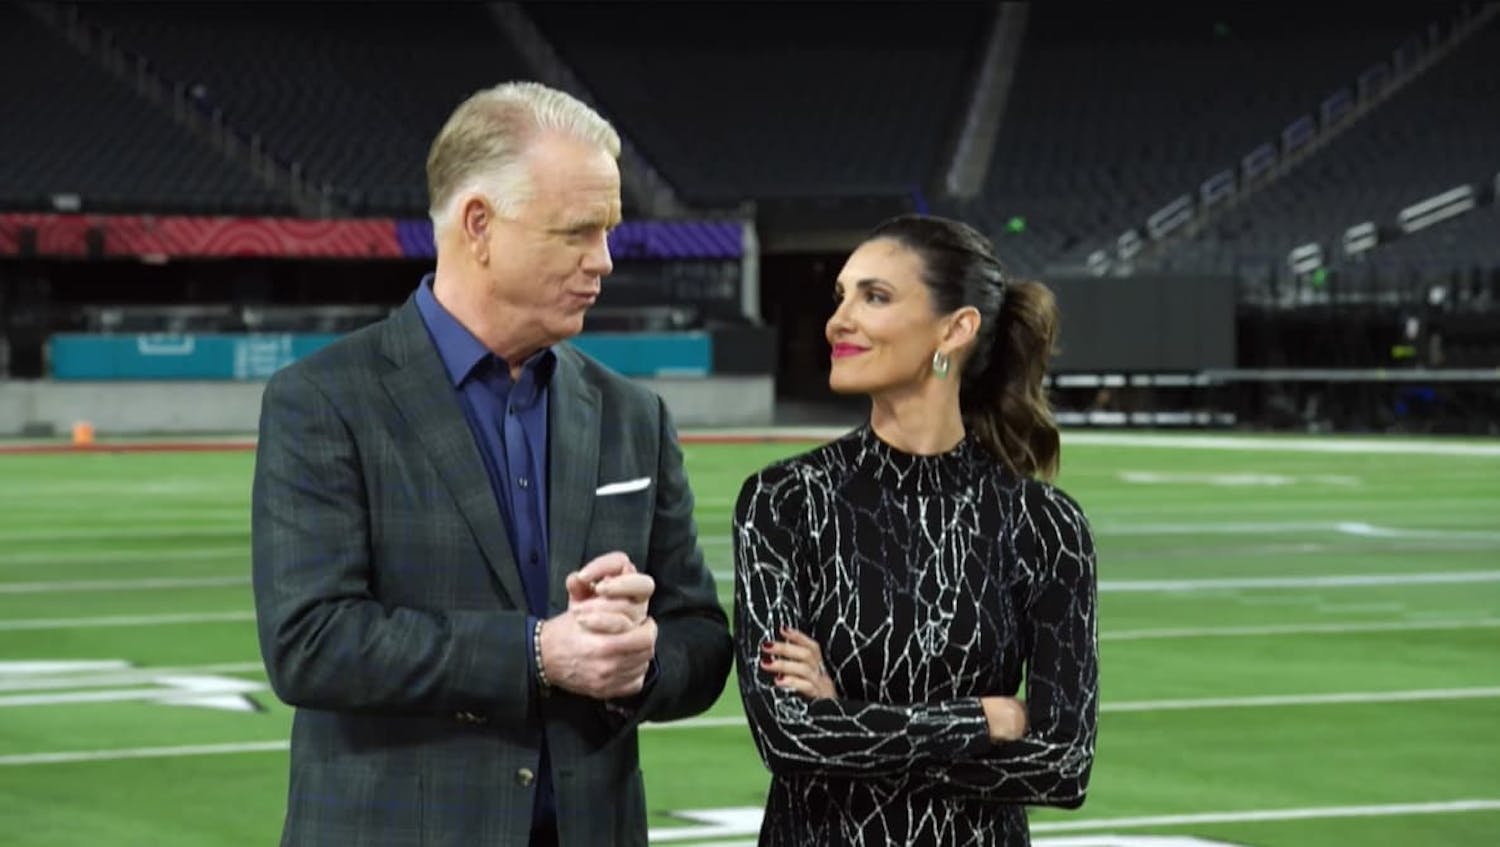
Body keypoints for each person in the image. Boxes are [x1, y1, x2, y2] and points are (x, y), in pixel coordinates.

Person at [252, 81, 733, 847]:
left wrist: (638, 659)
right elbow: (312, 642)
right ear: (479, 225)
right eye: (578, 231)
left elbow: (702, 638)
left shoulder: (632, 415)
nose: (603, 261)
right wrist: (538, 653)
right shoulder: (324, 399)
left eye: (607, 232)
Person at [733, 214, 1098, 845]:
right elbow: (787, 737)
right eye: (841, 296)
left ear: (955, 329)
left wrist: (840, 716)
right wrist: (984, 719)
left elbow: (1062, 766)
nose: (838, 319)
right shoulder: (786, 502)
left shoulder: (1046, 526)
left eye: (874, 297)